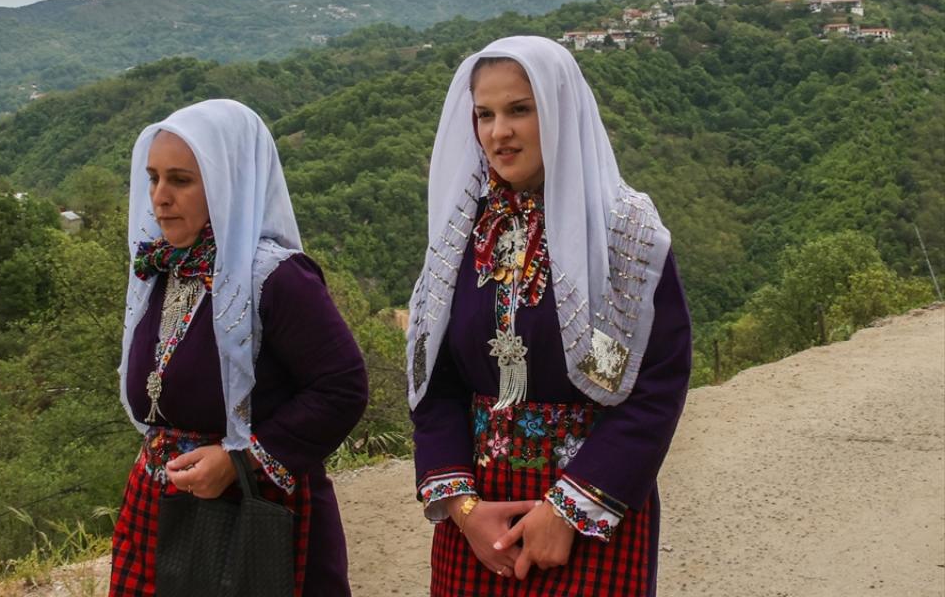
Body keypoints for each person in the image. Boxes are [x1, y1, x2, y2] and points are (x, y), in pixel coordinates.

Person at [406, 36, 692, 596]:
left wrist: (566, 511)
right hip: (480, 520)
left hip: (587, 514)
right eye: (484, 114)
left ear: (558, 110)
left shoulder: (620, 236)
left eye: (519, 110)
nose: (497, 132)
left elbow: (653, 384)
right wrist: (464, 508)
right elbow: (434, 383)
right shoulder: (460, 236)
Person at [109, 99, 369, 597]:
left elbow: (342, 388)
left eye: (181, 180)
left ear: (228, 183)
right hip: (161, 506)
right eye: (153, 178)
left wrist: (240, 460)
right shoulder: (162, 270)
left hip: (257, 513)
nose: (159, 197)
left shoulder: (276, 277)